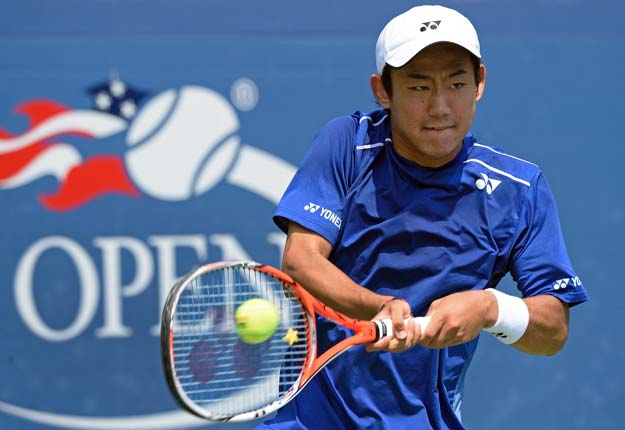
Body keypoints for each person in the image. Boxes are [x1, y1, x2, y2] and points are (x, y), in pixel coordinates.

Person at [260, 5, 589, 430]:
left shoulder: (518, 189)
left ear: (479, 84)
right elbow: (301, 259)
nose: (439, 107)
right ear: (383, 90)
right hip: (308, 420)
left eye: (456, 83)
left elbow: (552, 331)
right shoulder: (346, 143)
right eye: (419, 87)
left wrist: (490, 307)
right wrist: (379, 306)